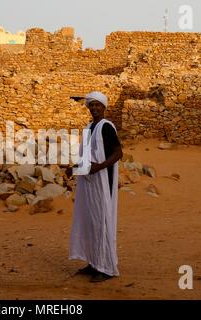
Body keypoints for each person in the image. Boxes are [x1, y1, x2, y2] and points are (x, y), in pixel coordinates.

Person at [67, 91, 123, 282]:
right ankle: (93, 263)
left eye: (97, 105)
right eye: (91, 105)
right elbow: (87, 157)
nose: (94, 108)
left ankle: (106, 268)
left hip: (102, 183)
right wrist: (74, 169)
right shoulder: (89, 127)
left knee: (102, 222)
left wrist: (99, 167)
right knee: (90, 222)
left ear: (104, 107)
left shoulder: (107, 127)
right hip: (88, 183)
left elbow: (118, 153)